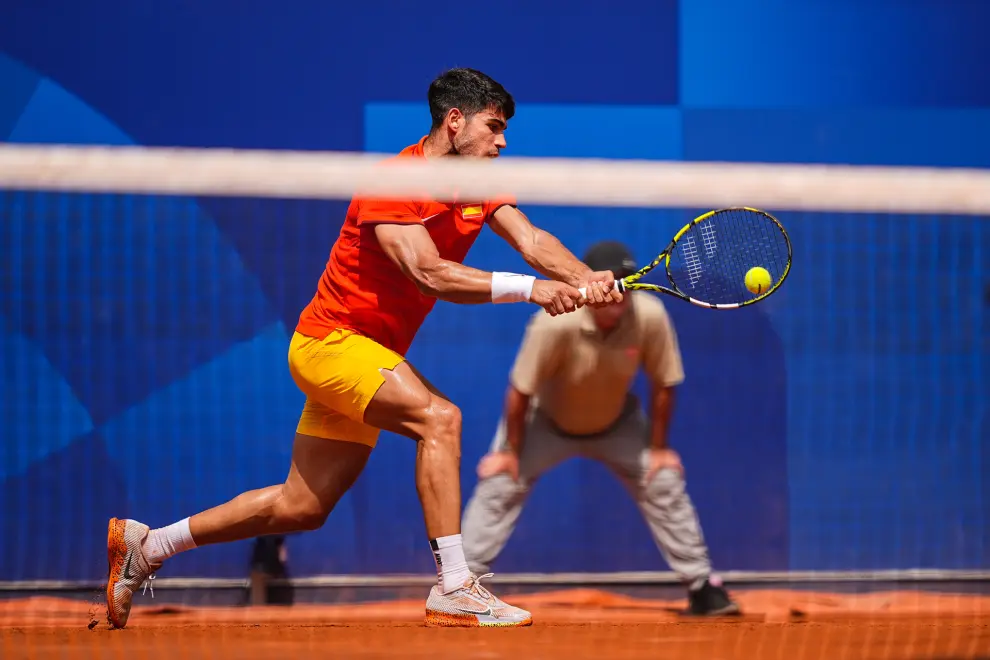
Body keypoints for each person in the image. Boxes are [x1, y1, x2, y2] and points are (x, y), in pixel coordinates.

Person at [104, 68, 622, 629]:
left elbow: (532, 240)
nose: (503, 142)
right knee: (439, 419)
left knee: (301, 507)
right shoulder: (392, 182)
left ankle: (148, 547)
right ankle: (453, 586)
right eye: (493, 127)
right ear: (455, 122)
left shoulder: (479, 184)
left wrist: (586, 277)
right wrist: (533, 290)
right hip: (331, 345)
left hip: (367, 356)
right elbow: (429, 273)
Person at [460, 240, 741, 616]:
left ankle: (702, 586)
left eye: (626, 282)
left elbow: (664, 384)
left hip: (617, 426)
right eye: (610, 282)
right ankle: (461, 587)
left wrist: (659, 448)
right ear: (588, 288)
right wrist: (510, 453)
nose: (619, 291)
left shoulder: (650, 317)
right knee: (499, 482)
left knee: (663, 480)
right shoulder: (553, 324)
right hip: (544, 424)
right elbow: (520, 391)